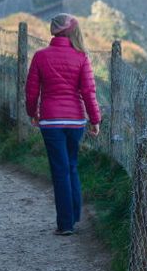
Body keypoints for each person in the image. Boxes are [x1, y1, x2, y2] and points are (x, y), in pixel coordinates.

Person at [25, 13, 102, 236]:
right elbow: (89, 92)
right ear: (72, 32)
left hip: (51, 121)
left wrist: (33, 113)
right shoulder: (82, 57)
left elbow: (31, 92)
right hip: (76, 120)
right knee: (72, 166)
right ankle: (74, 215)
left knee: (60, 170)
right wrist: (95, 120)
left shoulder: (40, 56)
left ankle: (65, 224)